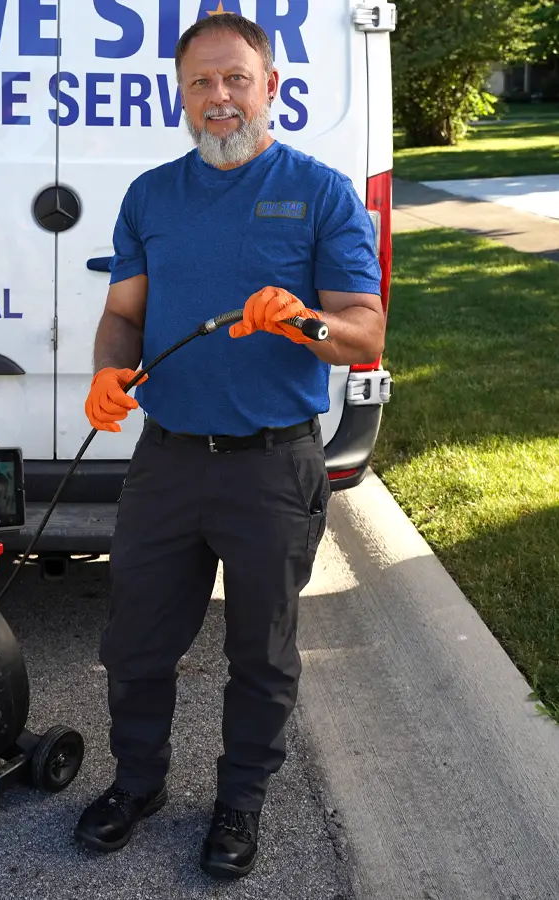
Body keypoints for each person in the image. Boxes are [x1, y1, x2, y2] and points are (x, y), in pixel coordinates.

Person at [75, 13, 386, 881]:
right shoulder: (150, 196)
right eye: (200, 84)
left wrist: (303, 318)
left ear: (271, 87)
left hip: (271, 467)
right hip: (167, 458)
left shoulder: (323, 193)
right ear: (180, 96)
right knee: (135, 642)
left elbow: (363, 336)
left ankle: (239, 804)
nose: (219, 98)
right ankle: (136, 784)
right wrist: (110, 372)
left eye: (235, 80)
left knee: (262, 651)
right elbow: (123, 315)